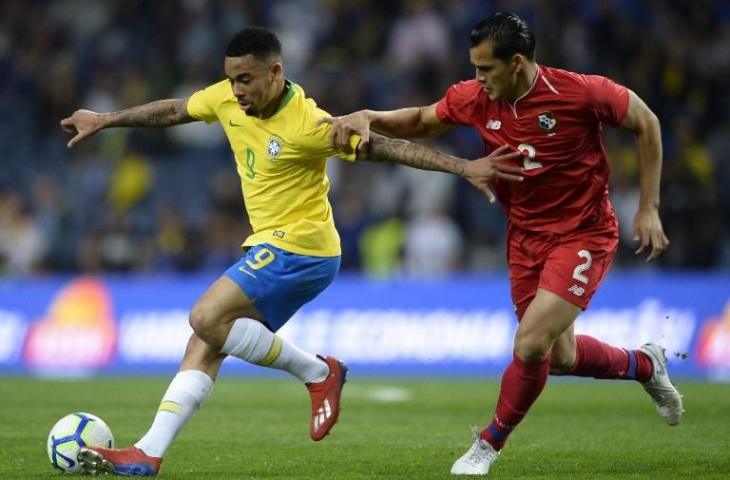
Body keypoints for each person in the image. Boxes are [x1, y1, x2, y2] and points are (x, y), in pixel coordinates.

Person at [60, 27, 522, 476]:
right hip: (269, 245)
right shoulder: (225, 97)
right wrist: (106, 120)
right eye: (232, 79)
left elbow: (388, 148)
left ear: (275, 72)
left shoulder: (310, 124)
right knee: (206, 342)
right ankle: (147, 453)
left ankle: (318, 372)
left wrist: (463, 166)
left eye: (246, 79)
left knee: (205, 317)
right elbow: (174, 111)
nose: (236, 90)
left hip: (306, 249)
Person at [324, 12, 683, 475]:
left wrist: (648, 206)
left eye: (485, 69)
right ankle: (644, 365)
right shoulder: (475, 98)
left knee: (531, 343)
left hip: (583, 232)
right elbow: (420, 120)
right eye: (473, 68)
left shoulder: (580, 92)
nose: (477, 79)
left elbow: (647, 122)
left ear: (516, 63)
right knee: (559, 356)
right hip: (524, 237)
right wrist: (371, 116)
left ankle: (488, 443)